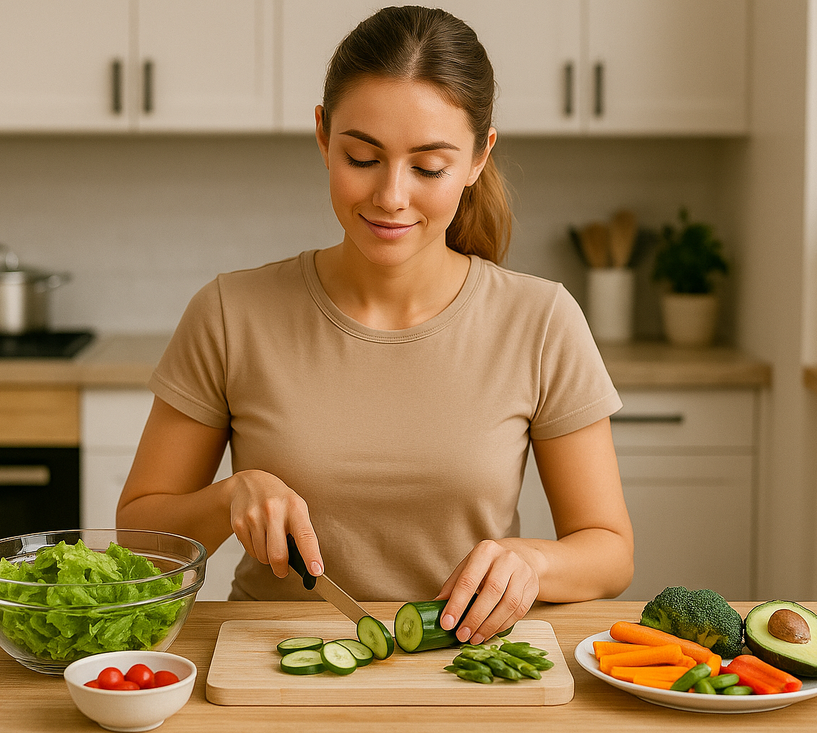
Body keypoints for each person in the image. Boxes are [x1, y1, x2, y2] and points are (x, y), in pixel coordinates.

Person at [117, 5, 633, 645]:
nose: (391, 196)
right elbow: (140, 540)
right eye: (362, 157)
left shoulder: (542, 319)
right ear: (322, 135)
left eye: (429, 167)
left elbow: (609, 552)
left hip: (463, 668)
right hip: (268, 663)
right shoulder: (230, 313)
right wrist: (228, 498)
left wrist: (534, 561)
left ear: (478, 157)